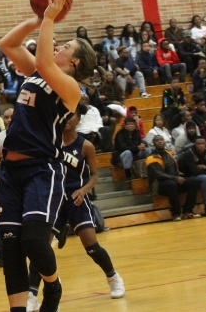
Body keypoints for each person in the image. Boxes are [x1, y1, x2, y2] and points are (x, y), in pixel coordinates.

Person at [0, 0, 98, 312]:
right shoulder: (38, 73)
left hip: (41, 170)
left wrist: (50, 20)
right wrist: (37, 19)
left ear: (75, 62)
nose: (58, 46)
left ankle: (52, 288)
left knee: (33, 241)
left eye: (65, 47)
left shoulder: (71, 88)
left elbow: (42, 60)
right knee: (11, 248)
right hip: (10, 172)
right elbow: (8, 45)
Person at [53, 111, 125, 301]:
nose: (66, 120)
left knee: (92, 247)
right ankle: (33, 294)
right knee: (42, 249)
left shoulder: (86, 146)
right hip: (55, 200)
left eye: (70, 116)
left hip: (77, 199)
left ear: (78, 119)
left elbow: (94, 175)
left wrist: (84, 190)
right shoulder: (51, 142)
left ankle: (113, 277)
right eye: (63, 116)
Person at [145, 135, 202, 220]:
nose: (160, 141)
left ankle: (188, 211)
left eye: (161, 139)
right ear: (153, 144)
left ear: (164, 142)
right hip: (159, 185)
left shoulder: (169, 153)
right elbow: (159, 175)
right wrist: (175, 178)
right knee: (171, 184)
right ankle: (176, 213)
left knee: (193, 181)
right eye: (157, 140)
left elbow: (176, 169)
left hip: (174, 181)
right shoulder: (151, 158)